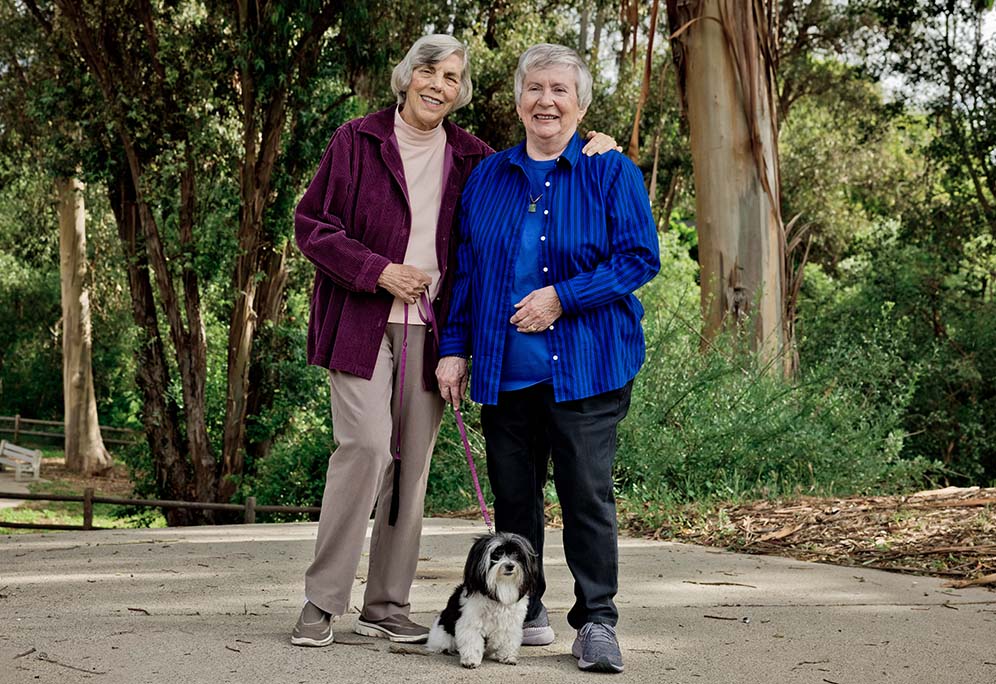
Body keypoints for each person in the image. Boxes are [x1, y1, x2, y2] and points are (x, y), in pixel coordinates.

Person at [292, 35, 618, 649]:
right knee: (363, 449)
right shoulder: (356, 141)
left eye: (451, 76)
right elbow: (311, 226)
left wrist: (596, 143)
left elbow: (543, 162)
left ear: (461, 91)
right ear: (407, 75)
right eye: (428, 71)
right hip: (361, 322)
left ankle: (386, 604)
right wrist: (378, 270)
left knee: (411, 470)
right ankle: (321, 601)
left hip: (433, 329)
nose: (437, 85)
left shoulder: (474, 157)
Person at [436, 43, 660, 674]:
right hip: (506, 371)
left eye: (561, 90)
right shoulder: (487, 177)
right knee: (515, 499)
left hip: (588, 367)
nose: (547, 101)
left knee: (586, 495)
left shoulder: (610, 170)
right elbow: (467, 272)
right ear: (517, 100)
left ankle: (596, 623)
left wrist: (564, 297)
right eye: (535, 88)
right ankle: (522, 612)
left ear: (581, 103)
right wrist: (453, 348)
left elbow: (640, 257)